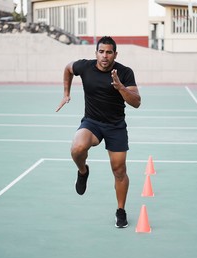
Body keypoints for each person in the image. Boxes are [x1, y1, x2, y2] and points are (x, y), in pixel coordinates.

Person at [56, 36, 141, 228]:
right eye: (101, 51)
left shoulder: (125, 72)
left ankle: (121, 210)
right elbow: (68, 68)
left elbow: (136, 102)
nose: (105, 56)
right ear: (96, 53)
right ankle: (83, 171)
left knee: (119, 170)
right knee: (77, 148)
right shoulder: (85, 67)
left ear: (115, 54)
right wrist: (66, 93)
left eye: (109, 52)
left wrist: (120, 87)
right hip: (92, 122)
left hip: (116, 126)